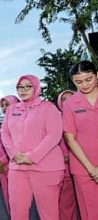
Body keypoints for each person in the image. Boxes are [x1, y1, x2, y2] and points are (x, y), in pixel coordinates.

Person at [1, 74, 65, 220]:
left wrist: (32, 156)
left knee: (49, 214)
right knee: (17, 213)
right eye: (19, 87)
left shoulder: (48, 107)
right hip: (17, 167)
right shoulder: (11, 110)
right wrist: (14, 154)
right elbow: (4, 133)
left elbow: (54, 134)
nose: (23, 90)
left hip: (46, 168)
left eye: (27, 86)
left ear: (36, 87)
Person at [63, 60, 98, 220]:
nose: (84, 85)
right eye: (78, 82)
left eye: (88, 79)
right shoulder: (70, 104)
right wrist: (91, 169)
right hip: (84, 168)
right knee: (90, 212)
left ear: (96, 75)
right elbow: (70, 139)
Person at [0, 95, 20, 214]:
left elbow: (18, 144)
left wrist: (3, 160)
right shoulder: (4, 123)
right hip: (2, 167)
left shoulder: (19, 122)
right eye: (3, 106)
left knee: (18, 202)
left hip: (13, 165)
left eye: (7, 104)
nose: (4, 108)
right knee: (7, 198)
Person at [57, 90, 79, 220]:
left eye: (71, 98)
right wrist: (64, 156)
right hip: (64, 167)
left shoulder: (84, 115)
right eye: (64, 99)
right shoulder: (56, 119)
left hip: (86, 164)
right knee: (66, 202)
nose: (68, 101)